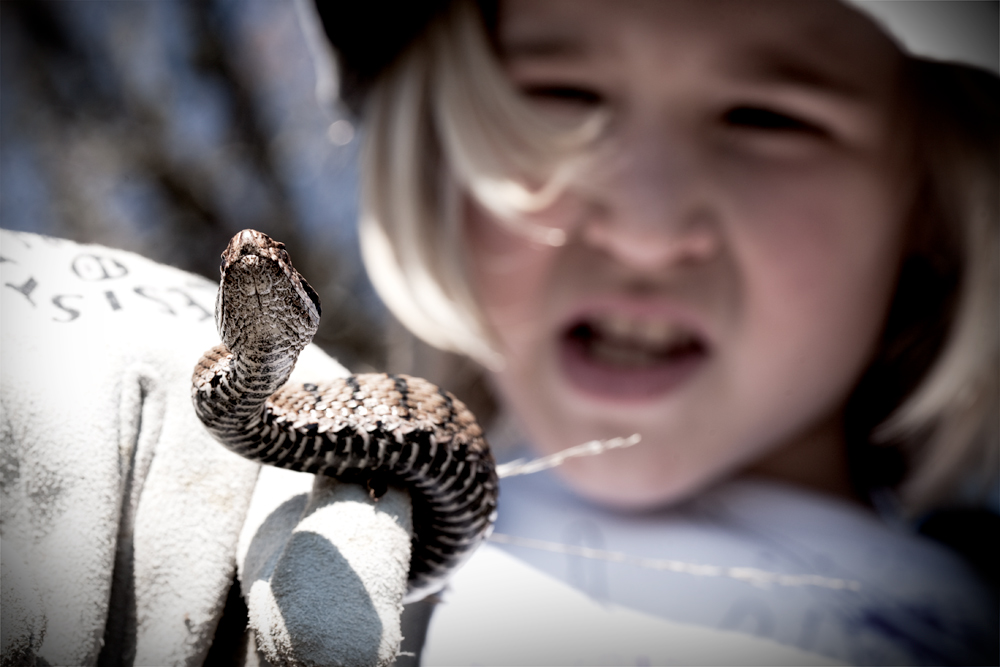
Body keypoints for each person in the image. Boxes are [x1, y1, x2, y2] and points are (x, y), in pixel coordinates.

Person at [313, 0, 998, 663]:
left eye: (767, 118)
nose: (646, 232)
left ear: (930, 196)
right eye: (565, 94)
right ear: (435, 151)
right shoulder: (319, 548)